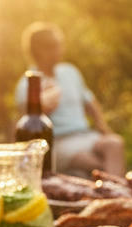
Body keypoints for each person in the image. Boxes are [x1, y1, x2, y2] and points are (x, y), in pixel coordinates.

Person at [14, 22, 125, 175]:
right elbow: (27, 123)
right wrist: (43, 106)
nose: (60, 49)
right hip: (58, 141)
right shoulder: (28, 83)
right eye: (53, 45)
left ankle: (115, 189)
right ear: (39, 49)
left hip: (85, 135)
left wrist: (103, 128)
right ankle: (116, 189)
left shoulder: (70, 72)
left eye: (60, 44)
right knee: (92, 163)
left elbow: (90, 102)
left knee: (115, 143)